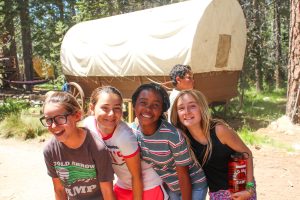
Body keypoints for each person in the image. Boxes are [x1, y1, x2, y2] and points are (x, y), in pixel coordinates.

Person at [170, 90, 256, 200]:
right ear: (177, 113)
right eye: (181, 108)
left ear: (202, 108)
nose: (187, 112)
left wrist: (249, 188)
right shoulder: (183, 139)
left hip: (240, 189)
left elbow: (247, 153)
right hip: (216, 194)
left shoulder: (219, 130)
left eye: (192, 106)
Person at [84, 86, 167, 200]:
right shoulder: (87, 125)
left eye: (117, 108)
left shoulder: (124, 137)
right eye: (105, 108)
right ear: (92, 108)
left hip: (147, 185)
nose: (111, 114)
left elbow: (136, 176)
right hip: (123, 184)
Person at [131, 83, 207, 200]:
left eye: (155, 105)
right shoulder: (133, 134)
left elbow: (183, 176)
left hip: (193, 185)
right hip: (171, 187)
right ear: (134, 105)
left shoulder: (172, 136)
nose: (148, 109)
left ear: (162, 110)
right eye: (143, 102)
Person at [41, 91, 115, 200]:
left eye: (60, 118)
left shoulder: (97, 148)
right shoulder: (50, 150)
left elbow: (107, 192)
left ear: (77, 115)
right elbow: (59, 190)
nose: (53, 126)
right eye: (48, 120)